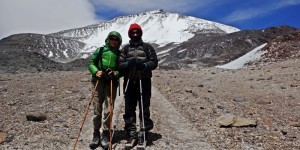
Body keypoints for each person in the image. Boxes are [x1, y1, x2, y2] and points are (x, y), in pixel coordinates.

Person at [118, 23, 158, 146]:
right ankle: (131, 133)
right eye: (133, 32)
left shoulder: (147, 47)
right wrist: (127, 64)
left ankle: (143, 133)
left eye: (137, 32)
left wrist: (144, 65)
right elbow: (119, 64)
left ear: (140, 33)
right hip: (129, 80)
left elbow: (154, 62)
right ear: (130, 34)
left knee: (143, 107)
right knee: (129, 107)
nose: (135, 34)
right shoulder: (125, 49)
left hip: (144, 80)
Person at [88, 31, 122, 149]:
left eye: (116, 39)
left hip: (111, 83)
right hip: (98, 82)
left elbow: (121, 70)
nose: (113, 41)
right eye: (111, 38)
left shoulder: (119, 53)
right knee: (97, 108)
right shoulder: (101, 50)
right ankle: (96, 133)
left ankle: (106, 133)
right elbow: (91, 62)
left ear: (119, 41)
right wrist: (96, 71)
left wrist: (115, 73)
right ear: (108, 39)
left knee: (108, 109)